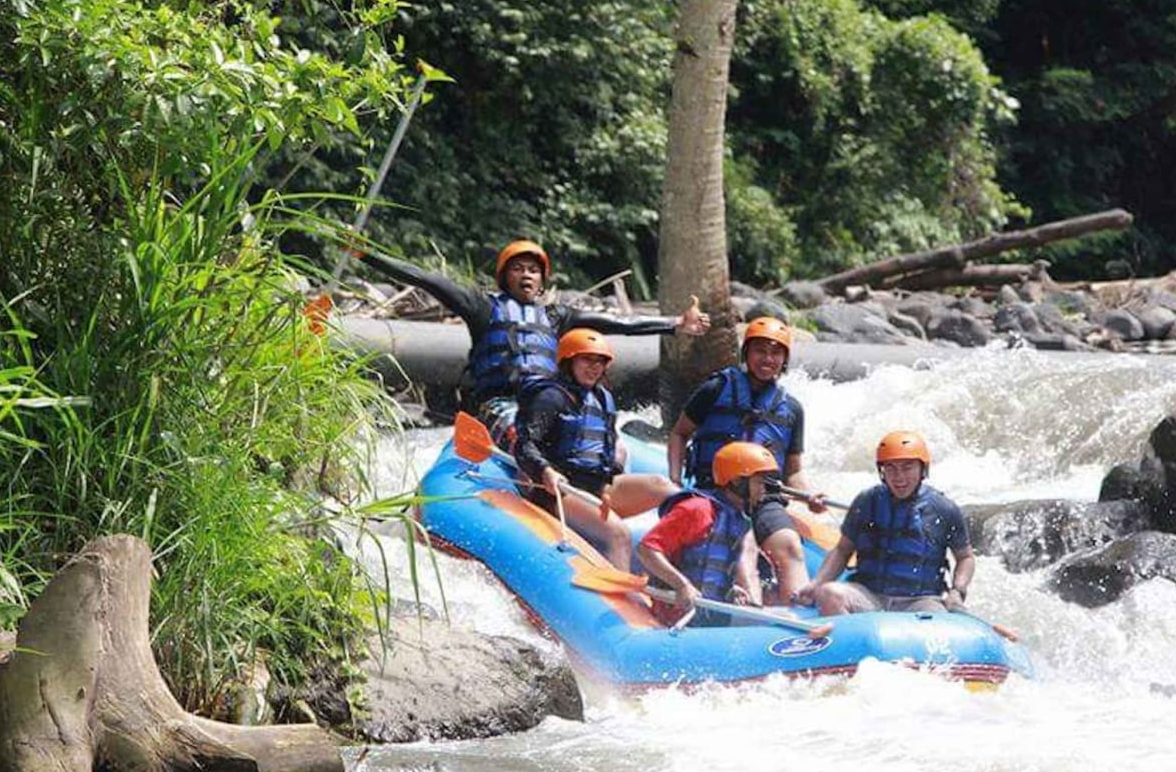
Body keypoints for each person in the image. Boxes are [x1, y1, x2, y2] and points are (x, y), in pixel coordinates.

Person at [353, 240, 707, 424]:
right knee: (524, 430)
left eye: (533, 271)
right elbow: (424, 277)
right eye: (518, 269)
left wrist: (675, 324)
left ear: (542, 281)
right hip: (498, 404)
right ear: (504, 277)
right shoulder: (482, 307)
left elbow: (620, 325)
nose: (526, 275)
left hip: (546, 402)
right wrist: (366, 255)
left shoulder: (556, 316)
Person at [665, 315, 826, 604]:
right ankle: (749, 609)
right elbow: (679, 434)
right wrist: (675, 481)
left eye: (776, 352)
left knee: (789, 544)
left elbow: (793, 472)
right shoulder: (715, 389)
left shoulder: (792, 409)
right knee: (742, 545)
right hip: (716, 492)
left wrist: (808, 495)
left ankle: (796, 613)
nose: (768, 359)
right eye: (760, 351)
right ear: (747, 353)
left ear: (785, 359)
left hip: (764, 497)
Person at [512, 328, 675, 570]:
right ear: (569, 361)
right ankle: (621, 603)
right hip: (559, 489)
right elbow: (525, 443)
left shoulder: (602, 398)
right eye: (586, 360)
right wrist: (545, 470)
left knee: (666, 489)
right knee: (618, 534)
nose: (594, 367)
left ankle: (672, 571)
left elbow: (608, 445)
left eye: (600, 362)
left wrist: (614, 474)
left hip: (597, 485)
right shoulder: (550, 397)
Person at [794, 431, 974, 616]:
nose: (899, 477)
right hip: (870, 596)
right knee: (830, 593)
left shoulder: (944, 508)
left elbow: (965, 557)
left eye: (907, 467)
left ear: (923, 469)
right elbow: (842, 550)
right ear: (882, 471)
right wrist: (817, 584)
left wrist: (957, 590)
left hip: (920, 601)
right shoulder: (866, 502)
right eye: (891, 468)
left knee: (938, 619)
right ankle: (848, 642)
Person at [636, 442, 780, 626]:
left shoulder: (738, 519)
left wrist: (728, 589)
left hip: (708, 616)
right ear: (737, 481)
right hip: (677, 615)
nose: (764, 490)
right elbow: (646, 550)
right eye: (759, 482)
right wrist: (682, 585)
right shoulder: (696, 509)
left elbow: (712, 570)